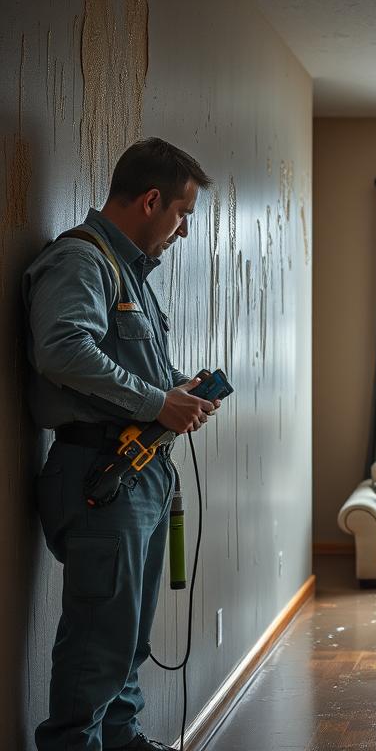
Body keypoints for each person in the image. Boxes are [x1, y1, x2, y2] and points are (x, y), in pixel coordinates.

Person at [23, 138, 220, 751]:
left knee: (130, 632)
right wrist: (158, 402)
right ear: (153, 199)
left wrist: (173, 391)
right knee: (99, 634)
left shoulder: (128, 270)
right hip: (98, 474)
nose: (183, 230)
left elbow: (118, 364)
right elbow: (62, 350)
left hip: (139, 471)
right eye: (183, 213)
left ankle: (122, 736)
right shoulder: (82, 261)